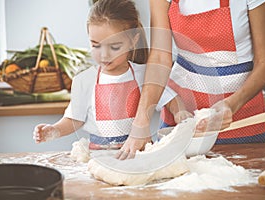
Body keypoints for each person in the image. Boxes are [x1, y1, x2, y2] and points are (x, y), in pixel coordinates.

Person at [117, 0, 265, 159]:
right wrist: (141, 123)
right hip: (182, 119)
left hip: (240, 117)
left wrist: (231, 104)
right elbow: (159, 57)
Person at [33, 0, 191, 154]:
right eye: (95, 45)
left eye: (114, 47)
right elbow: (74, 119)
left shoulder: (145, 75)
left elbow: (170, 99)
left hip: (139, 154)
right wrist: (54, 130)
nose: (104, 55)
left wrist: (180, 113)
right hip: (99, 156)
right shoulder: (85, 80)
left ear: (133, 41)